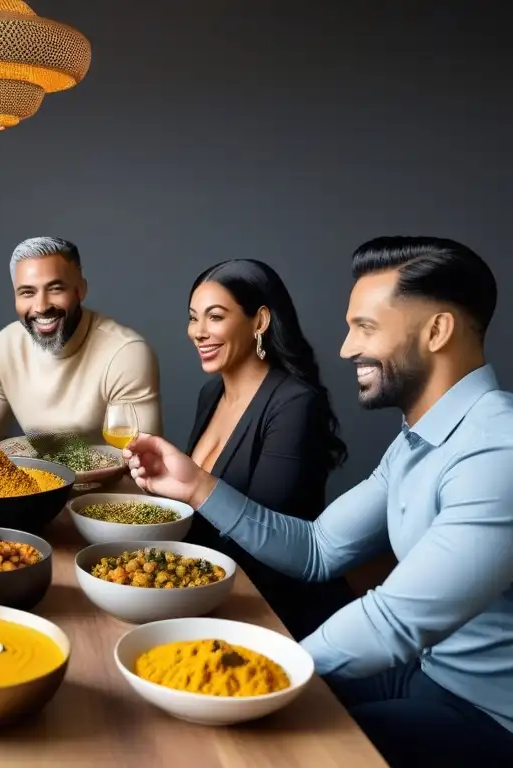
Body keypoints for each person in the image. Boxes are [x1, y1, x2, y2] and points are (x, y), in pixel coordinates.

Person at [125, 237, 513, 766]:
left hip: (487, 715)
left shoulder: (498, 449)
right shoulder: (415, 441)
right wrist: (195, 485)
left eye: (366, 328)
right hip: (422, 676)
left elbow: (393, 623)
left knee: (262, 747)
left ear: (437, 331)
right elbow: (318, 549)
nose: (346, 348)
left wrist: (254, 669)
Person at [184, 259, 352, 638]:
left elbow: (266, 538)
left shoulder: (295, 403)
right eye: (194, 318)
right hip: (211, 587)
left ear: (259, 321)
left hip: (275, 611)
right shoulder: (210, 394)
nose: (198, 332)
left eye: (215, 317)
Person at [0, 236, 162, 442]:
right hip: (33, 474)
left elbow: (144, 459)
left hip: (113, 475)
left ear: (80, 290)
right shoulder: (6, 347)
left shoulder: (125, 353)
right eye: (27, 292)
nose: (41, 306)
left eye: (55, 289)